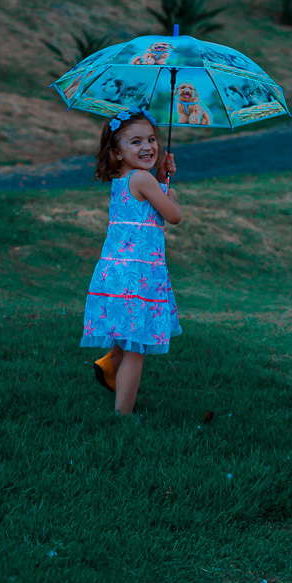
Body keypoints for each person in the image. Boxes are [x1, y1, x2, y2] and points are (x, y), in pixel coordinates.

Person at [80, 107, 181, 415]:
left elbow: (152, 209)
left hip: (118, 271)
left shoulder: (127, 180)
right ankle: (122, 415)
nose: (147, 147)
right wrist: (169, 188)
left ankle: (110, 362)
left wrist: (163, 177)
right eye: (135, 142)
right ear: (117, 151)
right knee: (137, 348)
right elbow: (173, 215)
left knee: (128, 333)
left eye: (151, 139)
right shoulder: (143, 179)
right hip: (138, 274)